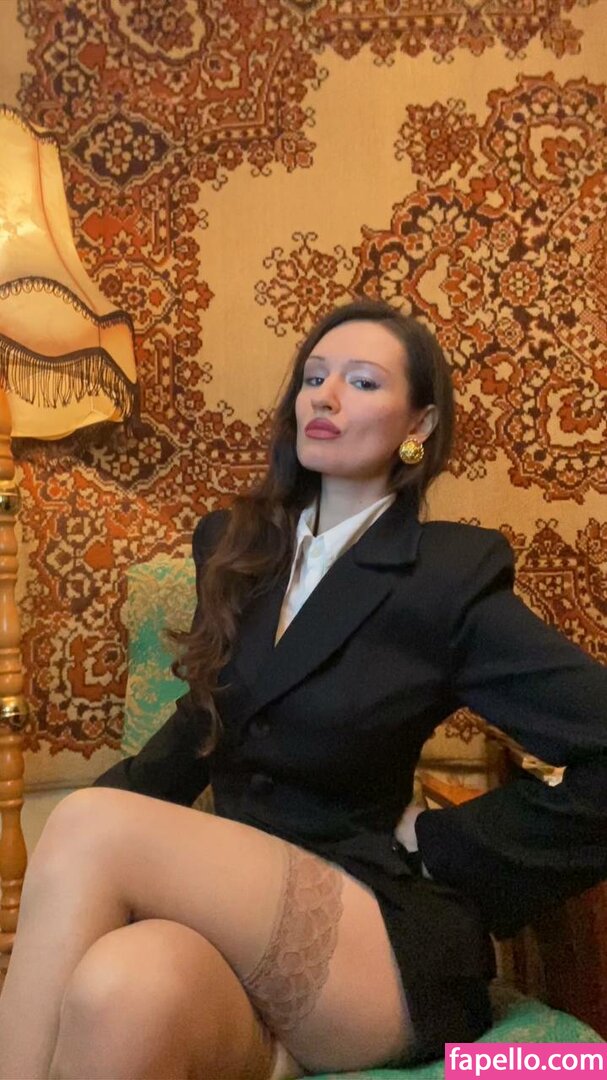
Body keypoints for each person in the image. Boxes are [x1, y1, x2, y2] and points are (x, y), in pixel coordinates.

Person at [0, 299, 605, 1080]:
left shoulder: (446, 576)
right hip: (236, 931)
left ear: (418, 423)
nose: (326, 396)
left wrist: (446, 842)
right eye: (314, 378)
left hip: (371, 937)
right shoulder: (233, 548)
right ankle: (269, 1058)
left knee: (85, 822)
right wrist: (72, 877)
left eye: (362, 382)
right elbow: (203, 723)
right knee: (119, 988)